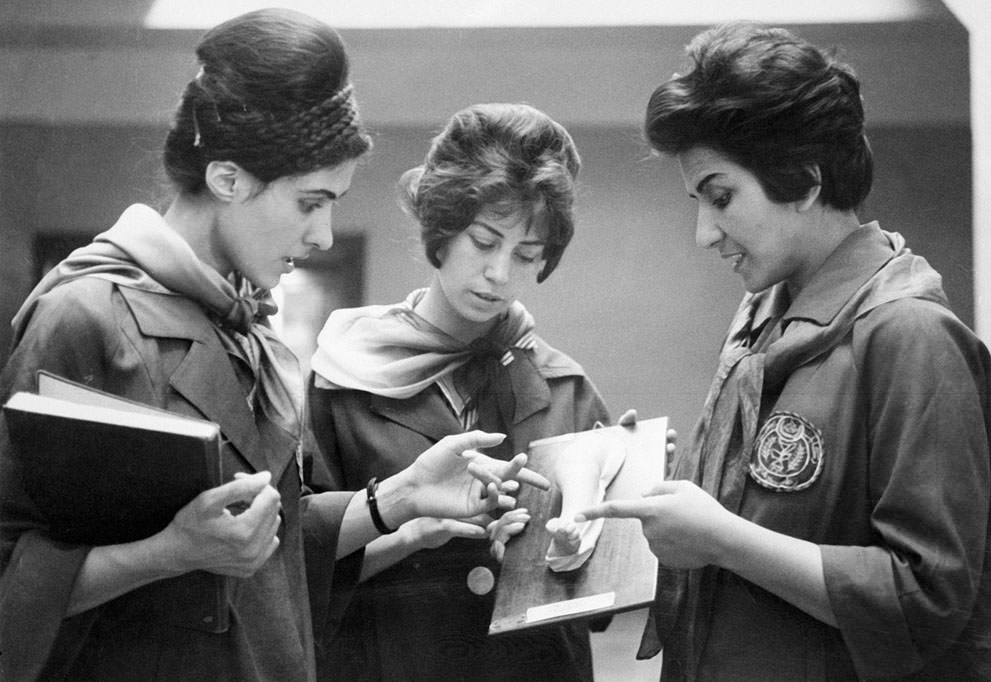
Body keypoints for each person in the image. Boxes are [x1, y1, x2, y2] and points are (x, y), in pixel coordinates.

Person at [0, 11, 546, 682]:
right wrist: (169, 552)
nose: (322, 235)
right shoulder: (84, 314)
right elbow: (11, 578)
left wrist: (397, 498)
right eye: (310, 202)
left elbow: (271, 553)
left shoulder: (247, 328)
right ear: (228, 180)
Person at [577, 21, 991, 682]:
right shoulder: (759, 325)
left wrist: (720, 537)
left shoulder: (908, 335)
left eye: (719, 197)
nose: (703, 234)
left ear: (800, 179)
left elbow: (926, 599)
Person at [307, 102, 613, 682]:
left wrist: (613, 513)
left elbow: (596, 601)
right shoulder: (340, 379)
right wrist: (408, 536)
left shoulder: (565, 387)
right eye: (483, 240)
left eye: (526, 255)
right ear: (442, 228)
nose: (500, 273)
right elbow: (291, 571)